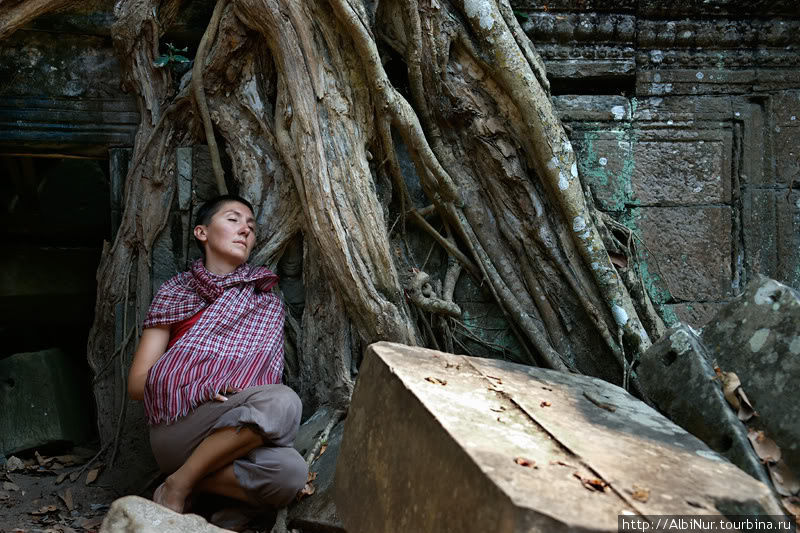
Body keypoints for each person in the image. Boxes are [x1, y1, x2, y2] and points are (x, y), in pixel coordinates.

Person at [128, 194, 308, 515]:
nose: (245, 231)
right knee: (284, 401)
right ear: (202, 232)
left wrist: (238, 390)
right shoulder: (175, 292)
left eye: (251, 227)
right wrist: (202, 384)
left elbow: (263, 384)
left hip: (237, 425)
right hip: (181, 426)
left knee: (291, 473)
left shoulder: (266, 304)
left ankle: (180, 481)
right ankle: (180, 487)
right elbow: (137, 384)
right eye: (233, 219)